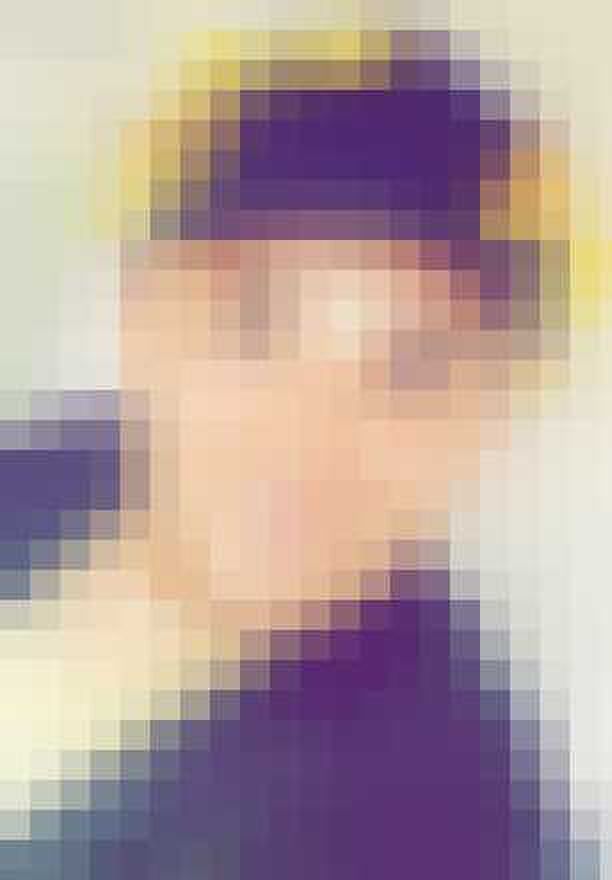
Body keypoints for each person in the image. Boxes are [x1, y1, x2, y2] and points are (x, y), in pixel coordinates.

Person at [4, 28, 573, 880]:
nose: (306, 435)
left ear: (480, 429)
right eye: (256, 329)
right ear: (143, 317)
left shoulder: (452, 820)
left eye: (410, 376)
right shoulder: (31, 476)